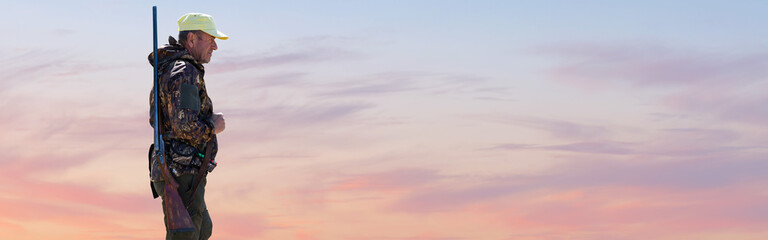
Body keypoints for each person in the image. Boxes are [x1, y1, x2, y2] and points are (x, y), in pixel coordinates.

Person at [148, 12, 228, 239]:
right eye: (210, 39)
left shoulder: (172, 69)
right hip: (180, 172)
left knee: (202, 229)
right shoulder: (185, 71)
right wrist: (214, 126)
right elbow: (186, 126)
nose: (215, 47)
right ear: (191, 39)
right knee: (187, 235)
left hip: (178, 170)